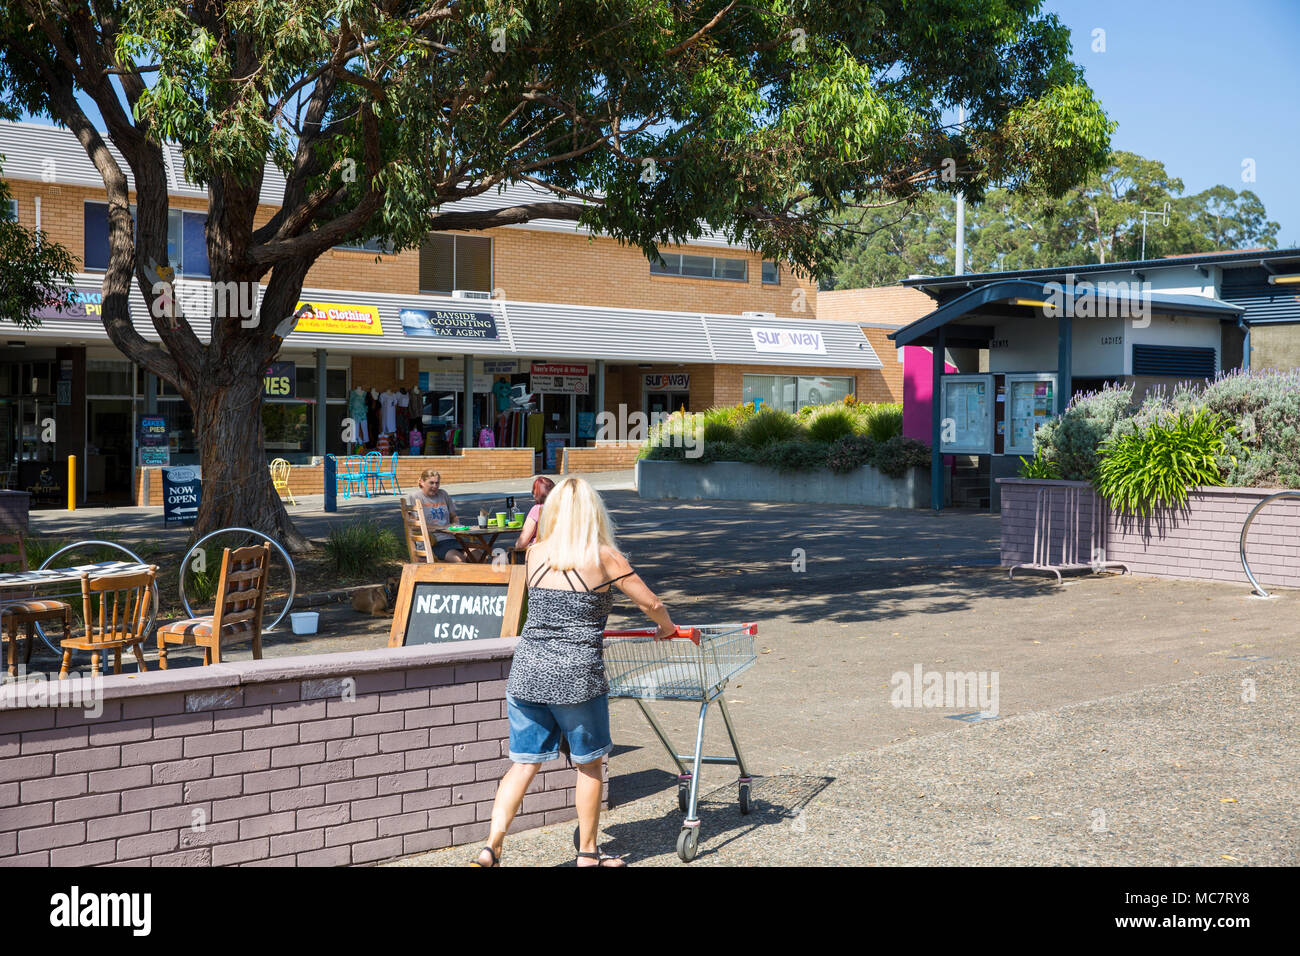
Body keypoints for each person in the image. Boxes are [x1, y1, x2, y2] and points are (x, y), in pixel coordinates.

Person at [472, 476, 676, 868]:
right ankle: (588, 853)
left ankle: (491, 846)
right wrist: (667, 629)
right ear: (592, 513)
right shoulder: (604, 557)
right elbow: (651, 603)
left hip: (528, 670)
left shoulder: (535, 554)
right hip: (576, 676)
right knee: (589, 764)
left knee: (524, 762)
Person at [409, 470, 465, 562]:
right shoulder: (415, 497)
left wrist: (456, 525)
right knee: (459, 559)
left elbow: (454, 516)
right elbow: (415, 527)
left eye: (437, 483)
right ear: (421, 482)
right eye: (431, 483)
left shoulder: (443, 494)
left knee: (478, 555)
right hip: (432, 543)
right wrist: (441, 528)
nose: (435, 486)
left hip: (452, 539)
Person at [514, 475, 554, 549]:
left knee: (499, 558)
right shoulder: (562, 508)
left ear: (536, 493)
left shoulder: (537, 509)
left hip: (537, 553)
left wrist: (518, 544)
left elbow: (521, 544)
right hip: (558, 553)